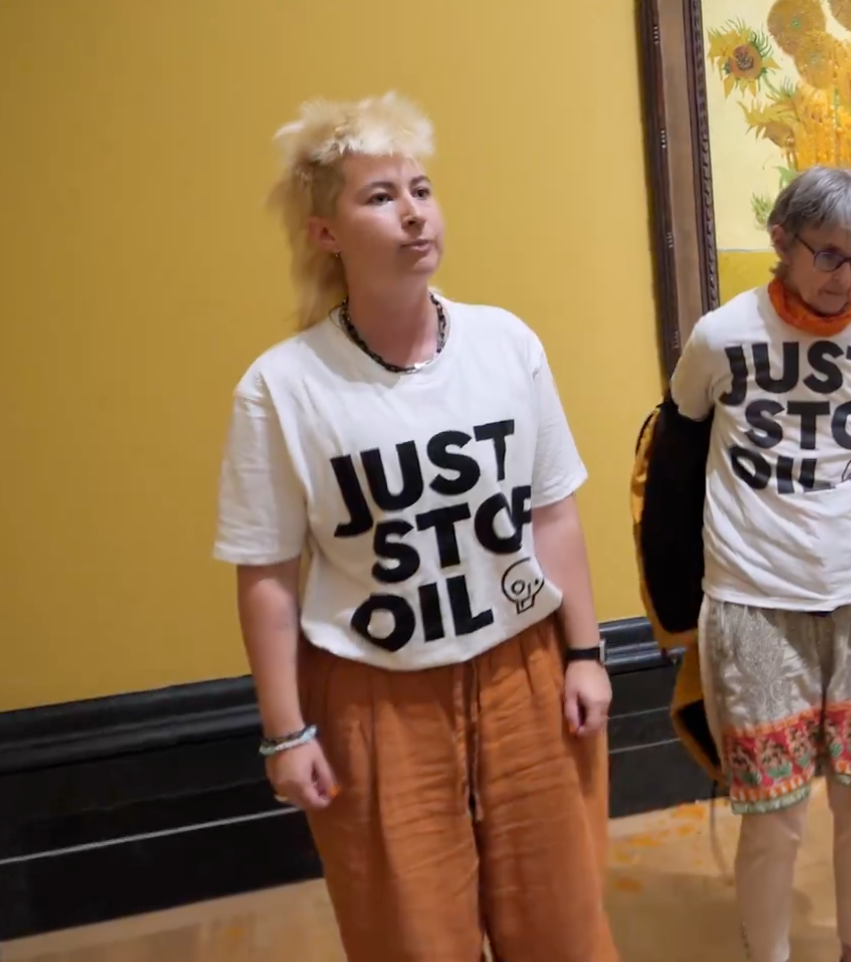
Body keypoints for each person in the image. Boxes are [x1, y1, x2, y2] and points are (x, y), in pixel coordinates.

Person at [211, 91, 619, 962]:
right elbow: (267, 574)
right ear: (326, 233)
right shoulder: (282, 388)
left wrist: (584, 655)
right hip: (373, 690)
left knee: (564, 927)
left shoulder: (506, 344)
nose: (413, 213)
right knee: (411, 937)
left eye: (421, 189)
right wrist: (285, 732)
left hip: (525, 670)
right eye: (379, 196)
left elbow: (552, 510)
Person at [666, 165, 851, 962]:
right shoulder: (719, 338)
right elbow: (677, 447)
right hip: (752, 598)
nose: (844, 277)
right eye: (828, 255)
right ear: (781, 241)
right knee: (773, 813)